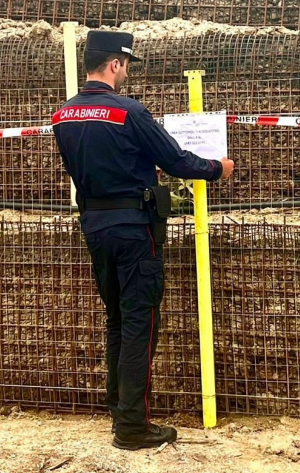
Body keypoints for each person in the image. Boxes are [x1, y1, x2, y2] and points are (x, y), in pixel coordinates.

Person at [53, 30, 235, 450]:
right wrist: (216, 168)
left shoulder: (62, 115)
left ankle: (119, 407)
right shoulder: (128, 111)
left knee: (117, 318)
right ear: (115, 64)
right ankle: (133, 427)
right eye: (127, 64)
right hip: (136, 230)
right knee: (141, 324)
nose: (127, 72)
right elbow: (174, 159)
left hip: (95, 227)